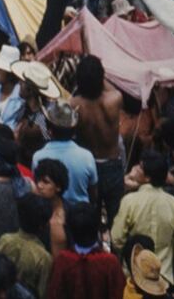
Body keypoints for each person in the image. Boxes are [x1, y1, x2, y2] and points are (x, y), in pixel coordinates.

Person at [110, 150, 174, 286]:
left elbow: (116, 239)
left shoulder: (129, 201)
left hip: (134, 279)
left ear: (147, 178)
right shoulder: (173, 203)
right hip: (163, 279)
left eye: (140, 167)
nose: (136, 168)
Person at [69, 55, 124, 227]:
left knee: (91, 219)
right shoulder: (114, 99)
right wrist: (99, 77)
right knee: (117, 220)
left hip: (89, 166)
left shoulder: (74, 105)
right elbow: (109, 87)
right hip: (113, 165)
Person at [47, 203, 126, 298]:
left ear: (70, 230)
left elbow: (54, 293)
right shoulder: (110, 262)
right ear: (97, 227)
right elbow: (118, 293)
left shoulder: (62, 261)